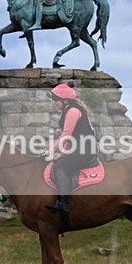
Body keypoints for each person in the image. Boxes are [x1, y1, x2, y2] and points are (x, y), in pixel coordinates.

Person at [44, 83, 98, 216]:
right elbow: (70, 139)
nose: (54, 103)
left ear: (65, 100)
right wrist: (62, 153)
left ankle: (63, 202)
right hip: (79, 147)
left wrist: (51, 150)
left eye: (56, 100)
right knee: (61, 162)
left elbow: (66, 134)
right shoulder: (69, 110)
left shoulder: (73, 111)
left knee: (59, 167)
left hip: (85, 148)